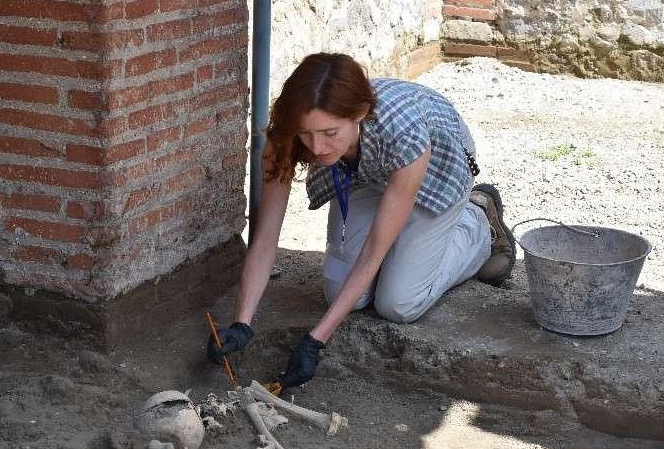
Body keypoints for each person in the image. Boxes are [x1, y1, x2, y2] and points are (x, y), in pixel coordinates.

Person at [207, 53, 515, 388]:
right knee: (340, 293)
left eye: (329, 133)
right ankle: (413, 251)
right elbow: (265, 239)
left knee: (398, 302)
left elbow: (373, 252)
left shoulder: (405, 133)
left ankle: (479, 220)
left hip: (434, 170)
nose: (317, 147)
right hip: (363, 173)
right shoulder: (287, 136)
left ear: (360, 114)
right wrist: (242, 323)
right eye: (306, 134)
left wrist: (316, 341)